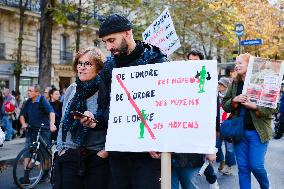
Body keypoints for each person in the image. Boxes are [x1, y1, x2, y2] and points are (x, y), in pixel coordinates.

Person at [96, 14, 167, 189]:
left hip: (148, 154)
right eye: (105, 42)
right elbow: (104, 108)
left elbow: (166, 107)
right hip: (118, 154)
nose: (108, 47)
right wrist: (93, 120)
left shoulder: (156, 60)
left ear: (127, 33)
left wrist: (159, 140)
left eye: (111, 40)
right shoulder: (108, 67)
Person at [56, 47, 109, 189]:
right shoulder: (72, 89)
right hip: (69, 154)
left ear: (99, 68)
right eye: (80, 63)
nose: (82, 67)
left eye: (88, 64)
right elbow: (62, 121)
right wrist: (61, 149)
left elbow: (112, 124)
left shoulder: (106, 89)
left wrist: (104, 153)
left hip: (95, 156)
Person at [222, 53, 275, 189]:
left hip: (258, 132)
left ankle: (265, 186)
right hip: (239, 132)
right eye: (236, 63)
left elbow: (274, 107)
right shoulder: (234, 82)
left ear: (250, 65)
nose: (236, 65)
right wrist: (234, 100)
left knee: (256, 166)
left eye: (240, 63)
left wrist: (255, 106)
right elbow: (225, 105)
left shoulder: (264, 81)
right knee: (243, 168)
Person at [171, 50, 218, 189]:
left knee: (188, 183)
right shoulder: (177, 83)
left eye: (195, 62)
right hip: (172, 146)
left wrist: (210, 148)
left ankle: (213, 179)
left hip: (191, 150)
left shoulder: (208, 86)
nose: (192, 65)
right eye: (189, 61)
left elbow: (211, 119)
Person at [19, 84, 56, 184]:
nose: (28, 92)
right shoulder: (28, 102)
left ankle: (45, 173)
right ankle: (26, 177)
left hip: (43, 131)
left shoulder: (42, 100)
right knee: (27, 153)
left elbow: (51, 112)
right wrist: (23, 124)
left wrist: (52, 124)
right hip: (31, 131)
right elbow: (22, 115)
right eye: (28, 90)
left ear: (37, 93)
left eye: (30, 91)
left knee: (45, 155)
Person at [216, 77, 236, 175]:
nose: (219, 86)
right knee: (216, 146)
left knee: (230, 149)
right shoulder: (214, 96)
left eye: (222, 84)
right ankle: (221, 160)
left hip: (228, 126)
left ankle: (229, 167)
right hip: (218, 126)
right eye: (219, 84)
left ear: (226, 86)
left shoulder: (231, 97)